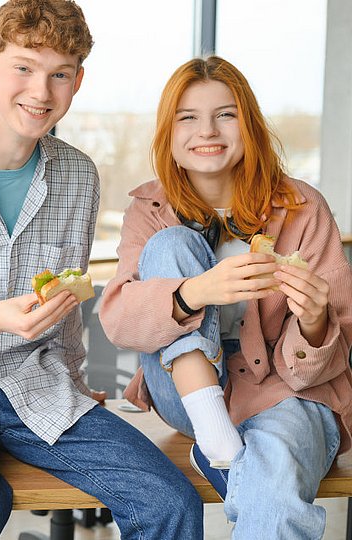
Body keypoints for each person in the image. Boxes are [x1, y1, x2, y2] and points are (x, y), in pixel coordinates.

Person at [0, 1, 202, 538]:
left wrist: (74, 379)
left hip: (38, 389)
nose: (41, 91)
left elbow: (66, 311)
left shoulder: (78, 176)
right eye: (24, 67)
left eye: (59, 74)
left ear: (78, 81)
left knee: (169, 501)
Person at [99, 55, 352, 539]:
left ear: (249, 124)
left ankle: (226, 460)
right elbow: (119, 320)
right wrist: (195, 292)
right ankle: (217, 435)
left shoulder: (303, 209)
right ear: (168, 134)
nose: (207, 131)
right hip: (188, 395)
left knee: (274, 479)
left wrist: (317, 322)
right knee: (170, 247)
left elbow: (335, 354)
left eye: (226, 114)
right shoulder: (149, 210)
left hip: (287, 390)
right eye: (188, 117)